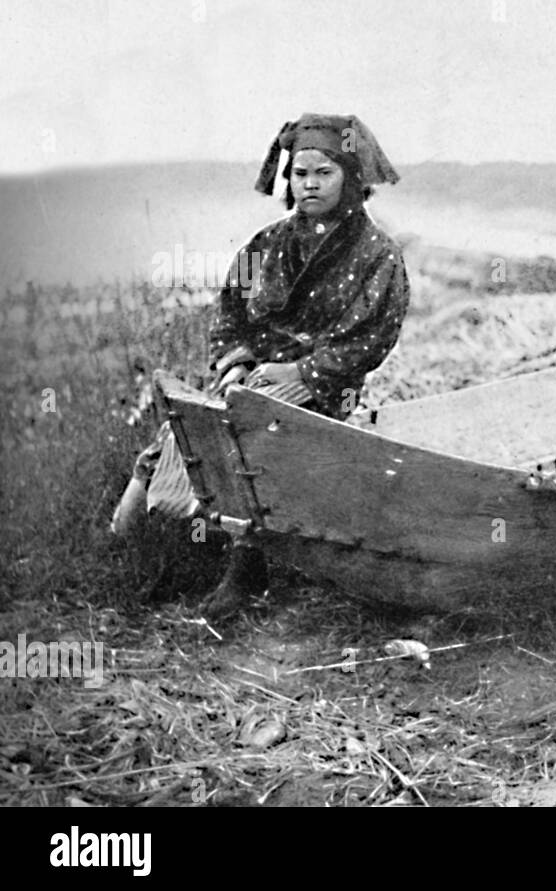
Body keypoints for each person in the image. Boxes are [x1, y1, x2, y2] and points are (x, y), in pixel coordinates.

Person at [111, 113, 410, 618]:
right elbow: (230, 316)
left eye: (324, 173)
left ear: (351, 178)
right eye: (300, 173)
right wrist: (235, 367)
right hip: (253, 375)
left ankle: (246, 566)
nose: (310, 184)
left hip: (324, 386)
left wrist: (299, 374)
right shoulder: (266, 244)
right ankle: (140, 543)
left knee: (254, 428)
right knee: (187, 425)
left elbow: (369, 339)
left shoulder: (377, 254)